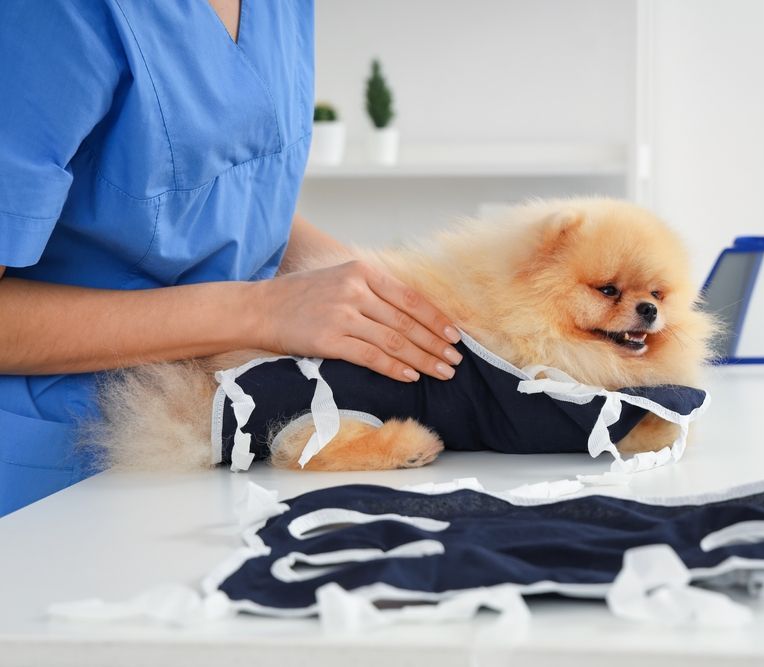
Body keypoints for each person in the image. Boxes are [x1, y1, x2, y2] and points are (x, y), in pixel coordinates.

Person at [0, 0, 462, 516]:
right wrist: (259, 312)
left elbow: (227, 197)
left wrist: (391, 295)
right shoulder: (50, 15)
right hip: (61, 469)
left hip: (224, 440)